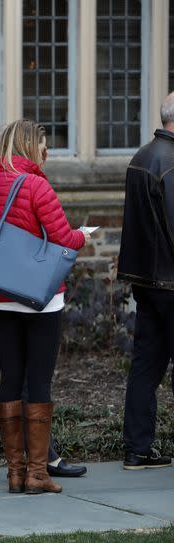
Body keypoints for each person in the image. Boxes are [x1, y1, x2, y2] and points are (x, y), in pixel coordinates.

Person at [0, 125, 87, 480]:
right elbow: (61, 239)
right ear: (26, 147)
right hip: (27, 296)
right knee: (34, 381)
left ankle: (8, 468)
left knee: (3, 379)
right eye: (43, 145)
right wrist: (82, 236)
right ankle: (40, 468)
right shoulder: (33, 185)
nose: (47, 152)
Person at [117, 91, 174, 470]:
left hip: (146, 281)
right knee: (147, 365)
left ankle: (137, 449)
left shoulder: (141, 157)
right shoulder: (170, 163)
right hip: (171, 282)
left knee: (146, 365)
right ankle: (137, 448)